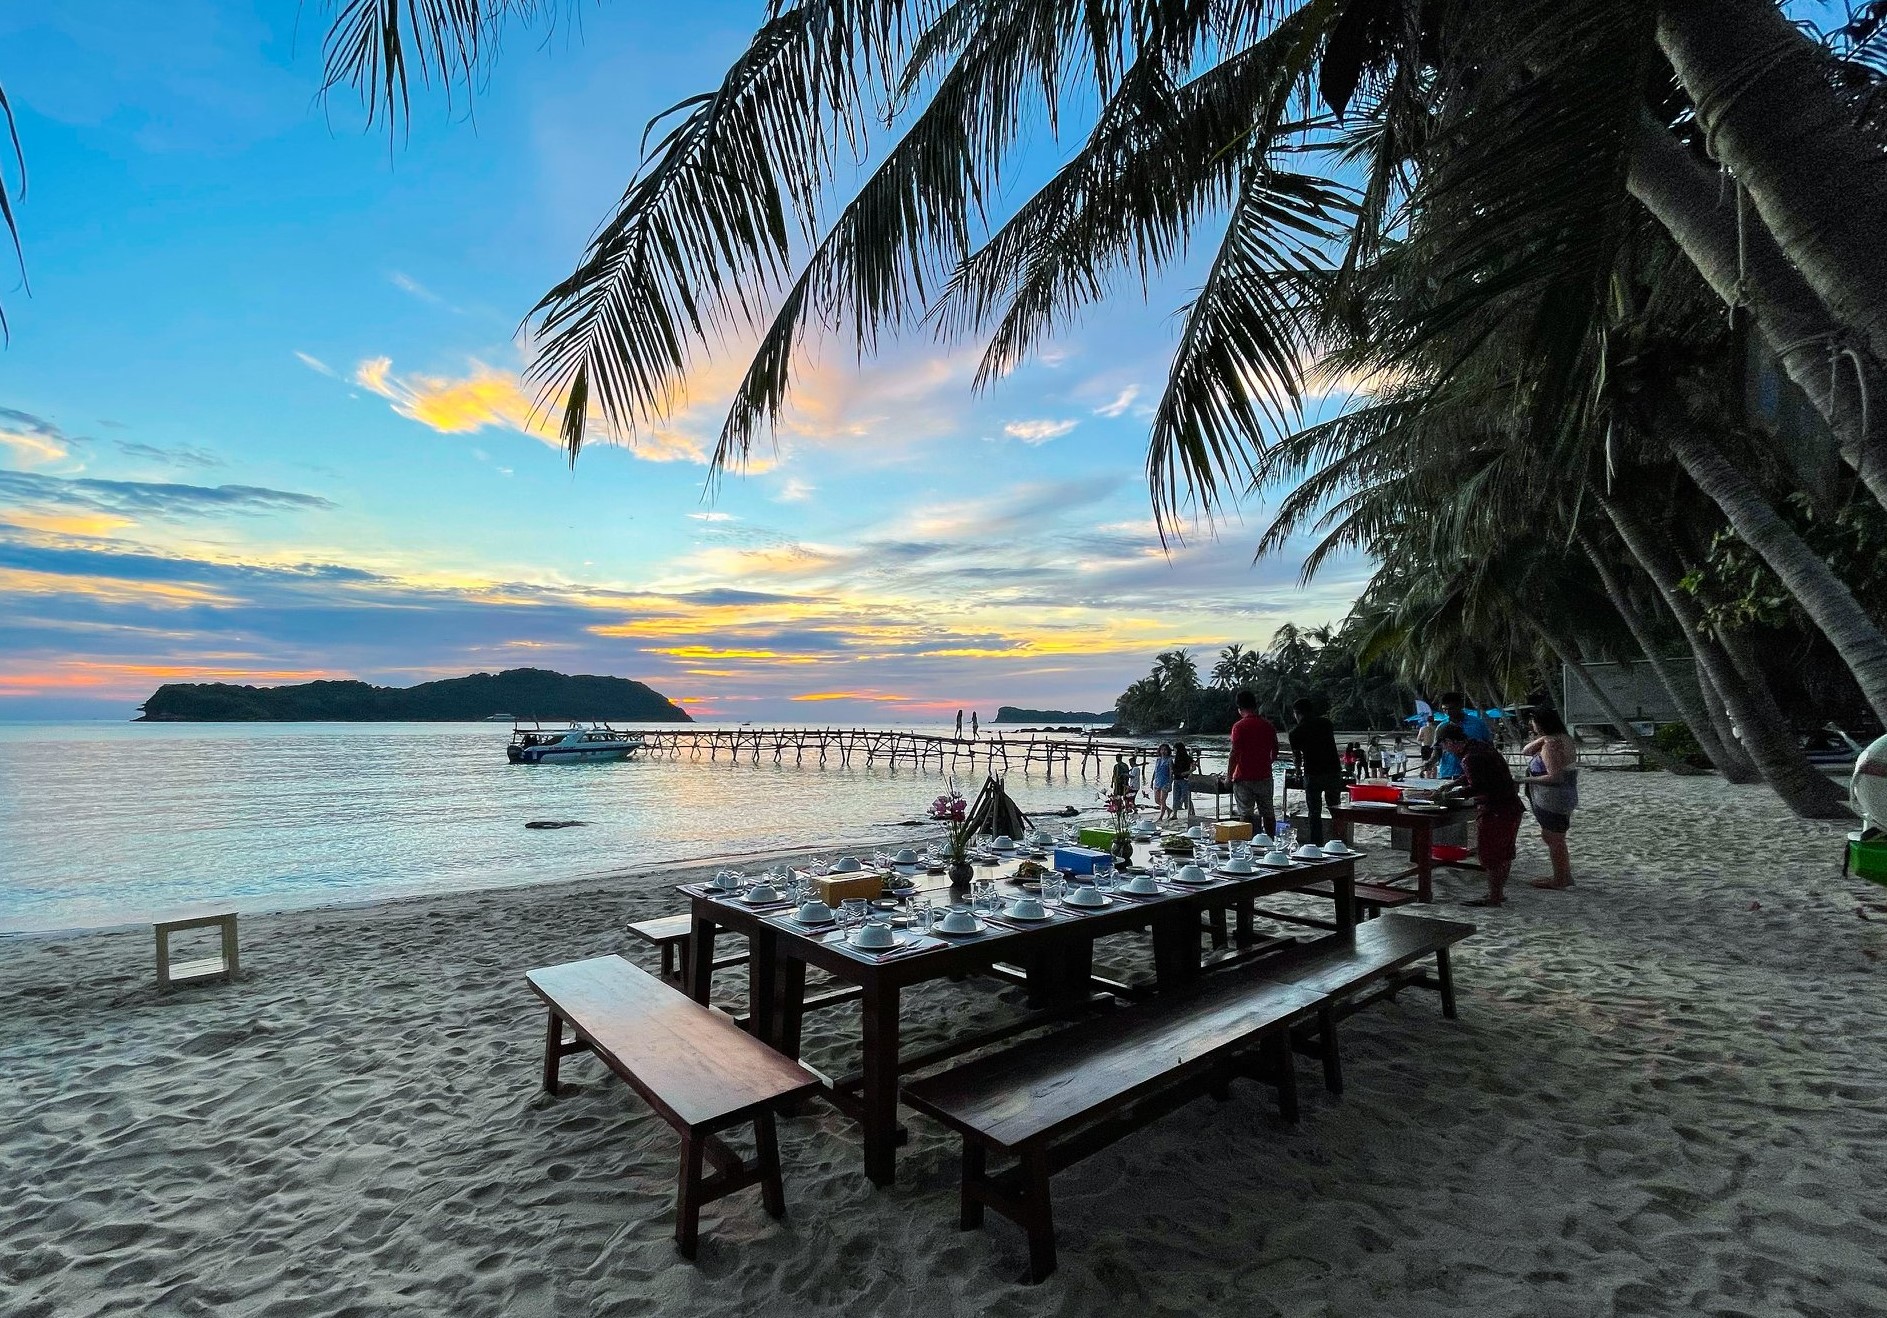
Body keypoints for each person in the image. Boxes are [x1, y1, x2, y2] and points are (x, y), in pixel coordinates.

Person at [1436, 721, 1523, 906]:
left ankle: (1494, 897)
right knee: (1504, 854)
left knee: (1490, 855)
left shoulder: (1469, 758)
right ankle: (1497, 894)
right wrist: (1452, 784)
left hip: (1496, 810)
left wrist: (1450, 795)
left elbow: (1477, 786)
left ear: (1450, 741)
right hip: (1511, 807)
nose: (1445, 750)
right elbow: (1476, 775)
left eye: (1443, 745)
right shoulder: (1479, 746)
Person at [1520, 708, 1580, 890]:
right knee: (1555, 837)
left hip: (1554, 797)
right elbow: (1526, 751)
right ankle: (1563, 875)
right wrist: (1543, 737)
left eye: (1534, 722)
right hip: (1565, 795)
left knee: (1553, 838)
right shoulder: (1563, 738)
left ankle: (1561, 879)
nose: (1532, 726)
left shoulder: (1550, 747)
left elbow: (1555, 777)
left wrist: (1523, 779)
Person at [1289, 698, 1344, 845]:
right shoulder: (1326, 724)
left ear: (1297, 713)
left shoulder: (1295, 732)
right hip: (1333, 771)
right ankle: (1339, 841)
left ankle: (1317, 844)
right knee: (1336, 809)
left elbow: (1297, 757)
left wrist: (1297, 772)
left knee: (1314, 812)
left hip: (1313, 773)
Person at [1227, 690, 1279, 836]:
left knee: (1245, 813)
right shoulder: (1268, 725)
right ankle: (1271, 842)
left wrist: (1228, 777)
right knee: (1268, 813)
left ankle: (1246, 845)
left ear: (1239, 708)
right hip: (1264, 776)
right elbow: (1275, 749)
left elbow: (1234, 753)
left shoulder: (1239, 726)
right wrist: (1267, 763)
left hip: (1243, 777)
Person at [1428, 692, 1491, 778]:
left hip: (1474, 774)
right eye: (1444, 709)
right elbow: (1437, 750)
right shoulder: (1441, 727)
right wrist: (1430, 762)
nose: (1448, 712)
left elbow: (1489, 747)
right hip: (1448, 773)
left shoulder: (1478, 724)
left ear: (1460, 706)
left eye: (1451, 709)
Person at [1171, 740, 1196, 822]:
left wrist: (1186, 772)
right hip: (1177, 779)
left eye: (1175, 749)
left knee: (1186, 797)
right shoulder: (1176, 758)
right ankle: (1175, 814)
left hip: (1184, 779)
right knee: (1176, 797)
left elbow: (1194, 767)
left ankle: (1192, 812)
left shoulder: (1187, 758)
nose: (1174, 751)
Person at [1151, 743, 1174, 820]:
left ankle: (1161, 816)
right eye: (1162, 750)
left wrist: (1170, 783)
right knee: (1157, 800)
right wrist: (1152, 781)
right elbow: (1155, 771)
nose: (1163, 751)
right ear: (1160, 751)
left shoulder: (1169, 760)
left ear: (1168, 751)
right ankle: (1168, 810)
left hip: (1165, 781)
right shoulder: (1158, 760)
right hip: (1157, 781)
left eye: (1165, 750)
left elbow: (1171, 772)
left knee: (1162, 799)